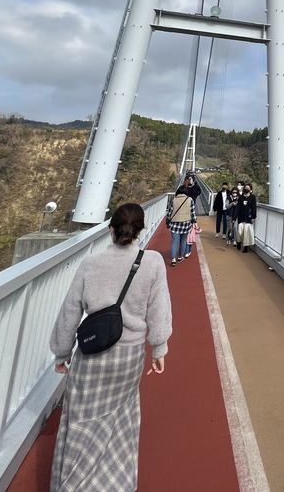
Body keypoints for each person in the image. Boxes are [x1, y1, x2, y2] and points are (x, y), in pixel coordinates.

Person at [49, 203, 171, 492]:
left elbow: (70, 312)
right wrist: (159, 348)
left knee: (81, 422)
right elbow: (159, 309)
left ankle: (73, 484)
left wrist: (62, 352)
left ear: (110, 230)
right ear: (141, 230)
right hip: (129, 359)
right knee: (121, 422)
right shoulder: (152, 262)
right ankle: (115, 484)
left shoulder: (91, 263)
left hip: (92, 357)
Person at [167, 173, 198, 265]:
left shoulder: (174, 200)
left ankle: (173, 260)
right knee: (183, 241)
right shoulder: (190, 200)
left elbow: (170, 212)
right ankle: (180, 257)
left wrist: (168, 220)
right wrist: (194, 221)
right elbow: (193, 213)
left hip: (175, 224)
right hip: (186, 224)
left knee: (174, 242)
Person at [236, 183, 257, 252]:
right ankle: (238, 242)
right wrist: (234, 217)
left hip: (248, 218)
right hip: (241, 217)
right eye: (245, 187)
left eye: (248, 188)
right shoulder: (241, 197)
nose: (246, 189)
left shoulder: (252, 197)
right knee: (239, 231)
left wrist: (253, 217)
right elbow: (238, 208)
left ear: (250, 190)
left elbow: (254, 208)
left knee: (247, 233)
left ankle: (245, 248)